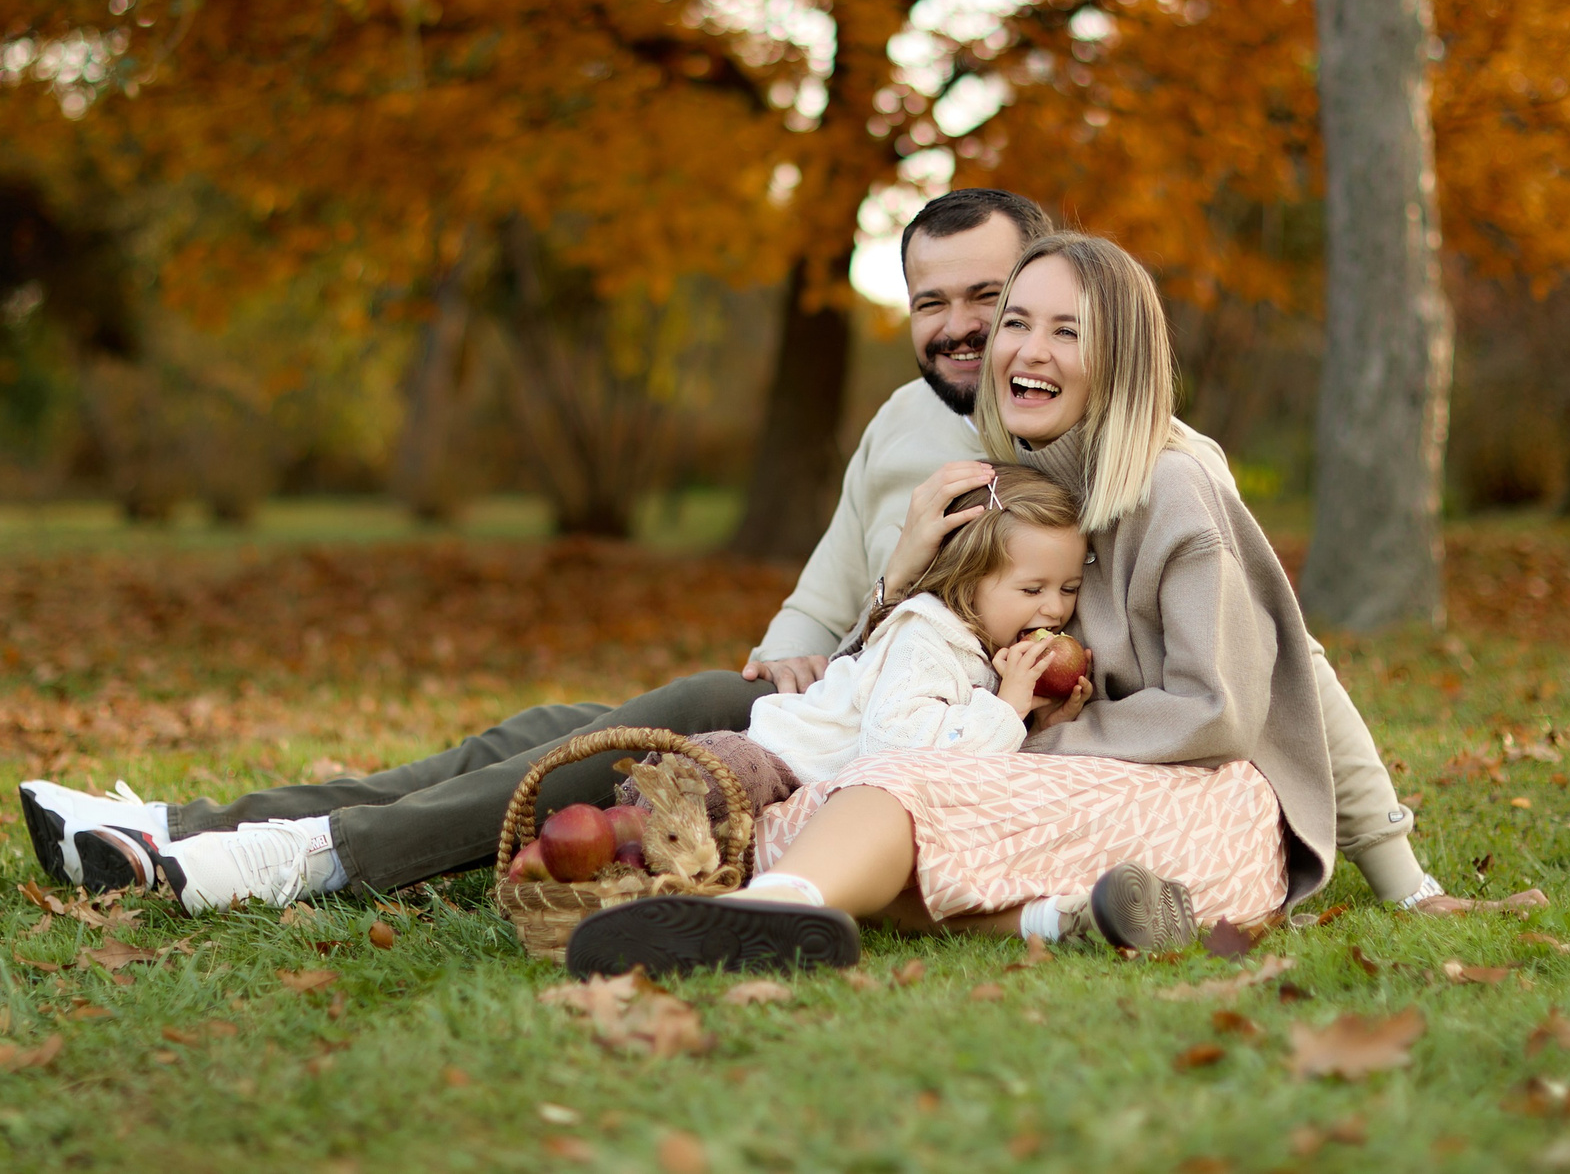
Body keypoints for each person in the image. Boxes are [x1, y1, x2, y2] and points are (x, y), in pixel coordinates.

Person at [19, 190, 1440, 915]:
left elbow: (1283, 669)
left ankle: (271, 859)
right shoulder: (946, 448)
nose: (989, 333)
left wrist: (1397, 865)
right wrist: (878, 593)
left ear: (1092, 332)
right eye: (961, 310)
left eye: (1016, 306)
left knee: (587, 752)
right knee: (549, 726)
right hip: (859, 690)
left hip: (941, 737)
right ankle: (192, 824)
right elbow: (853, 604)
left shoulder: (1160, 476)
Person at [567, 233, 1374, 978]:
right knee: (818, 804)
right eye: (1017, 322)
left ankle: (762, 915)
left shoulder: (1176, 485)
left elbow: (1224, 709)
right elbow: (894, 670)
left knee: (893, 791)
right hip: (1091, 793)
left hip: (1200, 801)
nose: (1029, 348)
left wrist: (1402, 872)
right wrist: (904, 575)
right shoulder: (1026, 486)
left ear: (1122, 357)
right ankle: (1060, 918)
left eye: (1067, 330)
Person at [725, 463, 1091, 793]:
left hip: (793, 775)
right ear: (969, 580)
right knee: (694, 813)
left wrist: (1039, 725)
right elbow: (891, 748)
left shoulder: (993, 651)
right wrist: (1006, 709)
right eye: (1032, 589)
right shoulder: (926, 635)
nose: (1056, 608)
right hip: (769, 760)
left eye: (1069, 589)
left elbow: (959, 752)